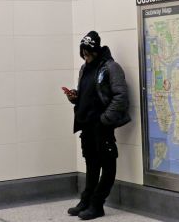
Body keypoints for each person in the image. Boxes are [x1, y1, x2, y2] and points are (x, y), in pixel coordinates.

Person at [65, 31, 131, 220]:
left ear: (95, 50)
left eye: (88, 53)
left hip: (102, 126)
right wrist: (74, 97)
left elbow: (121, 97)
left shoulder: (111, 68)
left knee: (108, 165)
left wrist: (105, 120)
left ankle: (97, 204)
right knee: (92, 165)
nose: (85, 57)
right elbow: (88, 94)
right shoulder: (84, 68)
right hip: (86, 125)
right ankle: (86, 200)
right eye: (83, 54)